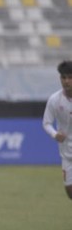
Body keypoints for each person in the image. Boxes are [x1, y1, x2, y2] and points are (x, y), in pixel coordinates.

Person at [43, 60, 72, 199]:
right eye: (64, 77)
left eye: (70, 77)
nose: (67, 81)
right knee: (70, 192)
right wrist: (55, 134)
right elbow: (46, 123)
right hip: (67, 155)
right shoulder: (55, 100)